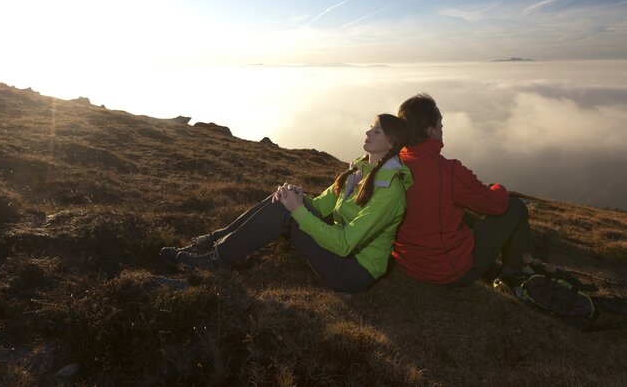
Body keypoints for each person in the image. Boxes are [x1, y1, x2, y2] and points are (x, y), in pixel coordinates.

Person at [160, 114, 413, 294]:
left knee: (288, 210)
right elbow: (324, 206)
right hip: (340, 250)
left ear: (391, 143)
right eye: (370, 127)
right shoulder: (361, 168)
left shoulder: (390, 192)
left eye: (376, 130)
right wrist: (297, 198)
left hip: (352, 271)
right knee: (284, 199)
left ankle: (216, 258)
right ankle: (214, 242)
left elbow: (345, 244)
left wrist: (297, 210)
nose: (368, 132)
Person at [392, 93, 533, 287]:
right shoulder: (448, 171)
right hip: (449, 271)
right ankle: (514, 271)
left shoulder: (391, 164)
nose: (442, 129)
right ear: (431, 131)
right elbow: (497, 205)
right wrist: (498, 187)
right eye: (440, 125)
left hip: (407, 262)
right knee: (516, 207)